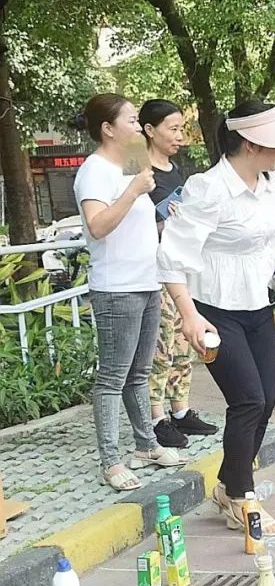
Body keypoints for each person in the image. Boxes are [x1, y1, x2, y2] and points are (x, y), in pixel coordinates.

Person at [158, 101, 275, 534]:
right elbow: (172, 256)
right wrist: (189, 316)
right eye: (274, 145)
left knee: (265, 403)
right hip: (212, 309)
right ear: (249, 144)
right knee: (248, 401)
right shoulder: (208, 188)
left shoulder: (271, 183)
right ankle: (242, 496)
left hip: (256, 303)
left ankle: (228, 485)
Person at [73, 93, 184, 492]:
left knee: (140, 372)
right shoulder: (94, 171)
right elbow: (98, 226)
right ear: (108, 128)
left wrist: (168, 215)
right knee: (112, 378)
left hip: (147, 279)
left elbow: (142, 219)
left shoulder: (134, 161)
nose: (139, 127)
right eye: (132, 120)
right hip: (116, 287)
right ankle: (110, 461)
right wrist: (134, 190)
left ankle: (147, 445)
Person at [139, 98, 218, 448]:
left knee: (184, 342)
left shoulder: (176, 169)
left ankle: (181, 410)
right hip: (153, 272)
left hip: (181, 268)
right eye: (172, 129)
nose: (179, 136)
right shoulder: (138, 170)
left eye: (181, 128)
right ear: (149, 130)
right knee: (161, 346)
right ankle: (156, 417)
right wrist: (161, 223)